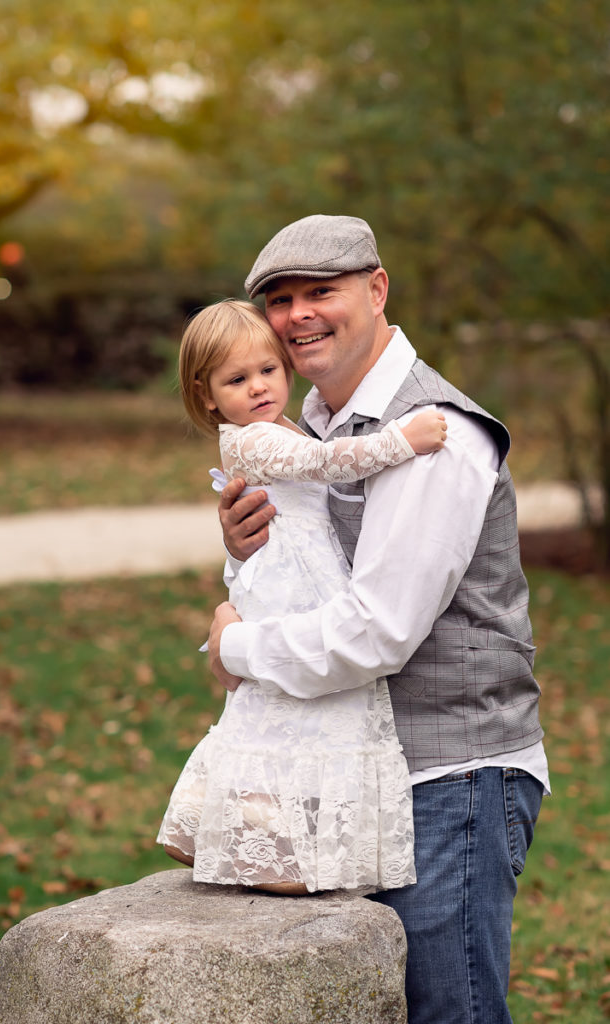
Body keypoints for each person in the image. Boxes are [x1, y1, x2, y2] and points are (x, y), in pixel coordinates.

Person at [208, 216, 549, 1024]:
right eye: (281, 300)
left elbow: (377, 630)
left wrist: (237, 646)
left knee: (447, 1014)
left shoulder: (436, 434)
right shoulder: (314, 432)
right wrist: (242, 554)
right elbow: (312, 581)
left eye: (320, 292)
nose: (298, 316)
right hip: (361, 773)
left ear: (377, 288)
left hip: (451, 778)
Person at [157, 298, 447, 895]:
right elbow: (323, 463)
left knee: (314, 713)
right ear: (207, 394)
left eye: (267, 369)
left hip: (308, 578)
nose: (259, 387)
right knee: (280, 710)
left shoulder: (288, 424)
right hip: (289, 588)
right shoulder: (250, 440)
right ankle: (255, 843)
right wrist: (404, 439)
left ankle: (298, 844)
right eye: (237, 380)